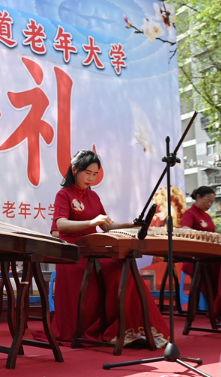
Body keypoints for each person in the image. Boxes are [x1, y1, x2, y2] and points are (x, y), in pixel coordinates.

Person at [49, 149, 169, 348]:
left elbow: (106, 226)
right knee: (115, 269)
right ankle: (106, 328)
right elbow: (61, 225)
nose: (91, 178)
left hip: (94, 249)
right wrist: (92, 221)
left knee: (124, 266)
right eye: (87, 173)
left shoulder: (93, 196)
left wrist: (133, 224)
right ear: (74, 169)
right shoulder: (64, 194)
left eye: (95, 174)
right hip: (74, 254)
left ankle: (131, 329)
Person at [180, 186, 220, 290]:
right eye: (207, 201)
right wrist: (204, 235)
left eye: (212, 202)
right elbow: (185, 229)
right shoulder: (189, 213)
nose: (210, 205)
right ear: (198, 197)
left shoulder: (207, 216)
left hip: (209, 255)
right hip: (194, 257)